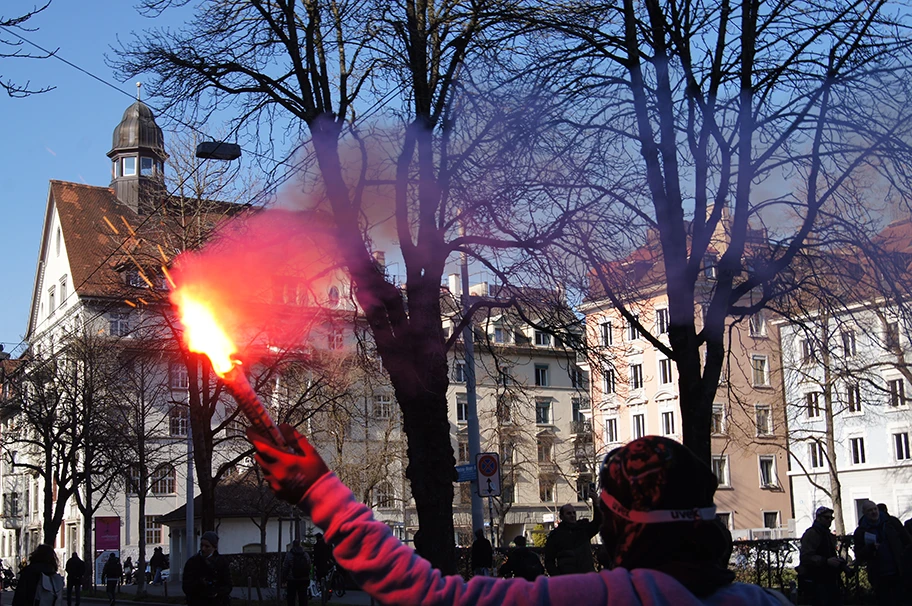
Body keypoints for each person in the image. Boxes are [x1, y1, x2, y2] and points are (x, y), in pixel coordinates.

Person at [248, 425, 790, 605]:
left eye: (607, 516)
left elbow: (431, 597)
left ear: (626, 521)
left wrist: (319, 492)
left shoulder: (628, 595)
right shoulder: (763, 599)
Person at [854, 499, 912, 606]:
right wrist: (870, 548)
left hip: (898, 571)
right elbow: (859, 554)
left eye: (875, 509)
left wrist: (904, 558)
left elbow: (907, 541)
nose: (873, 512)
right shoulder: (861, 531)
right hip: (879, 575)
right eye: (870, 511)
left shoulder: (892, 523)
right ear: (864, 513)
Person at [798, 506, 851, 605]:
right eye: (827, 518)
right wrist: (826, 561)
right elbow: (806, 557)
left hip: (829, 579)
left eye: (831, 518)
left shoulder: (827, 534)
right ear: (818, 518)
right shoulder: (812, 534)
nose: (829, 521)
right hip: (816, 579)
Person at [544, 500, 601, 576]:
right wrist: (558, 577)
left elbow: (598, 523)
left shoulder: (583, 529)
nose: (572, 515)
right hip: (567, 578)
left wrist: (596, 504)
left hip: (587, 576)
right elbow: (549, 561)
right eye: (569, 513)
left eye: (574, 513)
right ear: (562, 516)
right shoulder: (555, 535)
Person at [182, 531, 232, 606]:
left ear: (214, 547)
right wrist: (200, 584)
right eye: (201, 545)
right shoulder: (192, 562)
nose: (203, 549)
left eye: (207, 546)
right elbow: (186, 586)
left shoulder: (222, 562)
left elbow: (228, 585)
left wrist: (217, 592)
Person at [282, 539, 311, 606]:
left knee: (291, 598)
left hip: (292, 579)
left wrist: (284, 578)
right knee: (303, 597)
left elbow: (285, 567)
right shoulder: (305, 554)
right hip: (304, 579)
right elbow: (309, 566)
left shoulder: (289, 555)